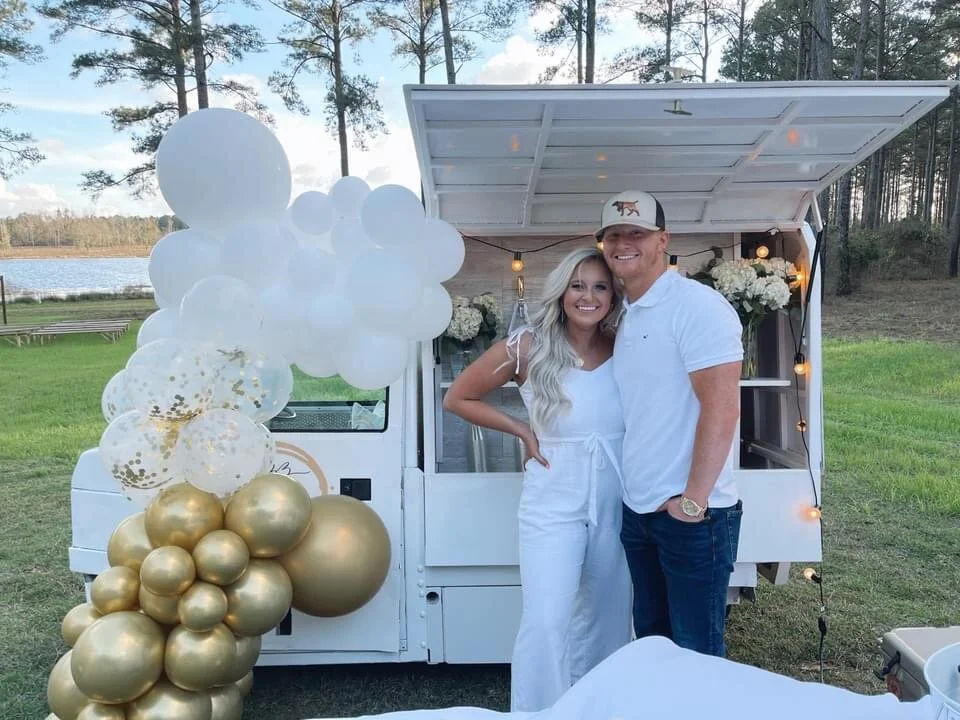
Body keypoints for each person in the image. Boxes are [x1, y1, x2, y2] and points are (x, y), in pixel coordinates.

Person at [442, 246, 632, 712]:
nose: (589, 296)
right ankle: (540, 712)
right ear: (562, 291)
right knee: (547, 619)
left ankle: (598, 708)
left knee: (609, 619)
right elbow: (460, 398)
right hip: (553, 496)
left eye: (600, 286)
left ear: (613, 295)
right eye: (578, 285)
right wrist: (521, 430)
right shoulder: (528, 345)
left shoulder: (628, 340)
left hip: (618, 494)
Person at [598, 189, 745, 658]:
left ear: (662, 240)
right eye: (614, 234)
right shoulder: (627, 314)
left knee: (697, 653)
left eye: (636, 233)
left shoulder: (696, 307)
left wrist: (692, 503)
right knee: (654, 649)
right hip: (640, 511)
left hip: (691, 516)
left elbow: (721, 410)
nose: (624, 243)